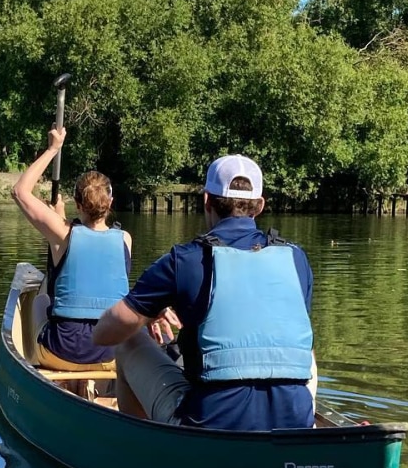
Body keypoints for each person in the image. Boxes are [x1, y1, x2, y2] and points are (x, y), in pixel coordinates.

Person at [92, 154, 317, 430]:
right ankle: (307, 435)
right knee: (305, 349)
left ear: (207, 201)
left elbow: (104, 333)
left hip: (211, 424)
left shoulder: (185, 260)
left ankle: (143, 452)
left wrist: (147, 316)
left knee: (127, 341)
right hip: (293, 420)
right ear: (259, 206)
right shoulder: (296, 259)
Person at [12, 126, 132, 370]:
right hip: (108, 355)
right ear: (110, 203)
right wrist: (61, 220)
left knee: (40, 300)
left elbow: (20, 191)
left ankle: (36, 365)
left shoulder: (63, 233)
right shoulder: (125, 239)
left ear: (77, 203)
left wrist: (53, 149)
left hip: (61, 352)